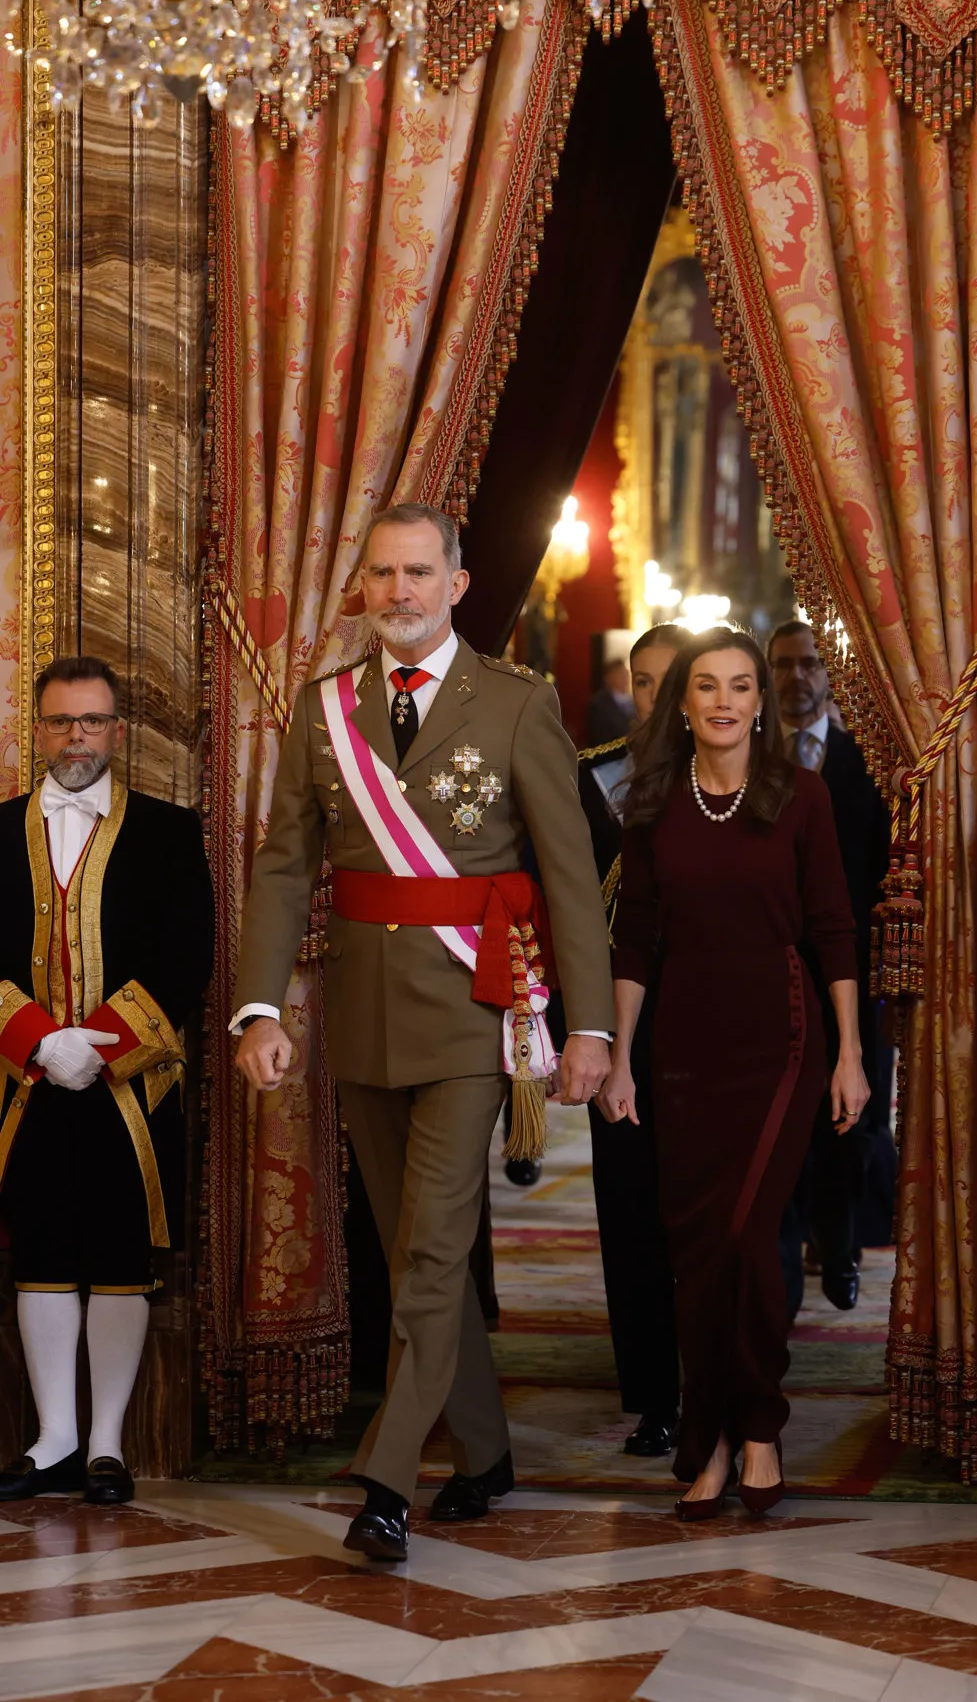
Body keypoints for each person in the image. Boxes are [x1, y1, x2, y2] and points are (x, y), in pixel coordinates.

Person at [231, 502, 614, 1564]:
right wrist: (259, 1005)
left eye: (417, 571)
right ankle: (485, 1450)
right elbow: (280, 865)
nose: (397, 591)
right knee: (412, 1257)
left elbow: (571, 880)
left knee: (438, 1242)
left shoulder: (518, 706)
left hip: (473, 1012)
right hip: (359, 1013)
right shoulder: (322, 712)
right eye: (379, 574)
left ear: (458, 583)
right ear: (361, 588)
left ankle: (388, 1478)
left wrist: (588, 1028)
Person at [600, 626, 868, 1519]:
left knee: (754, 1242)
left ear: (760, 703)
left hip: (784, 1040)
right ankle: (714, 1433)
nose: (723, 701)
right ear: (680, 703)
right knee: (699, 1254)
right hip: (681, 1046)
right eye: (705, 685)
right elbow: (633, 937)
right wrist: (618, 1059)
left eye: (740, 686)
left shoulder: (802, 798)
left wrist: (852, 1056)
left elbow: (833, 927)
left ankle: (753, 1429)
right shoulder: (654, 802)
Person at [0, 656, 214, 1506]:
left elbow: (186, 957)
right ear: (39, 730)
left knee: (122, 1260)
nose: (76, 737)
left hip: (132, 1090)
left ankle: (106, 1446)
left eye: (91, 722)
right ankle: (52, 1440)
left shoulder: (169, 830)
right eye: (61, 722)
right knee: (42, 1253)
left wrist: (100, 1046)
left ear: (116, 730)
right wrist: (39, 1042)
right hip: (24, 1086)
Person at [577, 623, 688, 1457]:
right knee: (631, 1210)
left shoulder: (738, 776)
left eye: (673, 680)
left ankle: (721, 1377)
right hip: (618, 1026)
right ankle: (652, 1393)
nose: (657, 697)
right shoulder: (591, 775)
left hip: (713, 1013)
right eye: (643, 682)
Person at [768, 620, 892, 1312]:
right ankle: (784, 1253)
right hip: (770, 971)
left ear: (830, 673)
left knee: (847, 1121)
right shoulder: (747, 762)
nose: (797, 677)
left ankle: (839, 1252)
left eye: (809, 664)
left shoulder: (863, 764)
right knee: (780, 1118)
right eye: (783, 664)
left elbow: (879, 871)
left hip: (851, 974)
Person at [586, 657, 636, 745]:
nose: (625, 677)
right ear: (608, 678)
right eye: (620, 674)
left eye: (626, 673)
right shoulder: (599, 704)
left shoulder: (635, 700)